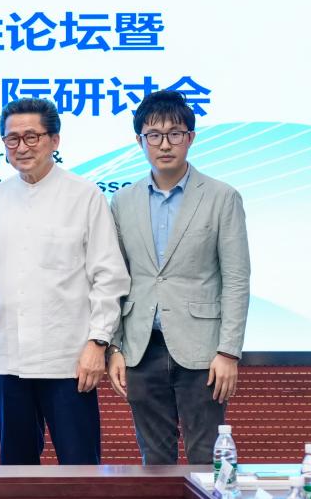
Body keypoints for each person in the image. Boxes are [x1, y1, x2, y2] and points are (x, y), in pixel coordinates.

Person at [0, 98, 129, 465]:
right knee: (15, 471)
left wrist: (98, 343)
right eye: (12, 139)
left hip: (68, 360)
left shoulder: (84, 196)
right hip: (7, 357)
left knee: (80, 467)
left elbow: (108, 276)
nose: (21, 147)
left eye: (32, 136)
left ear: (54, 140)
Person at [107, 90, 251, 465]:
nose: (164, 144)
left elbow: (236, 279)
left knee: (206, 460)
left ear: (191, 138)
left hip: (203, 351)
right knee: (155, 463)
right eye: (153, 135)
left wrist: (228, 352)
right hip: (141, 349)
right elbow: (115, 279)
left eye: (175, 133)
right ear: (139, 140)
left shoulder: (222, 197)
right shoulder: (123, 200)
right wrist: (114, 347)